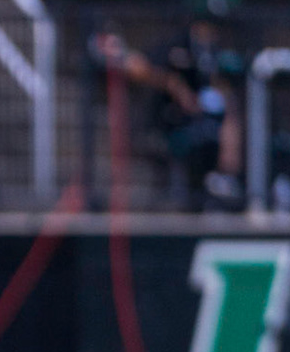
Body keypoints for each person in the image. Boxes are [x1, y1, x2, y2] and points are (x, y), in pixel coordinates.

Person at [102, 17, 244, 209]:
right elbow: (136, 66)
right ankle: (184, 195)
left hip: (200, 124)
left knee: (213, 131)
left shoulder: (212, 54)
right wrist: (173, 86)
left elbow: (219, 91)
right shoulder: (174, 44)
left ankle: (215, 186)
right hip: (163, 124)